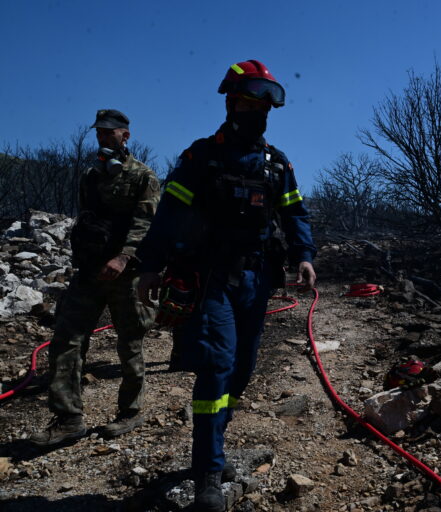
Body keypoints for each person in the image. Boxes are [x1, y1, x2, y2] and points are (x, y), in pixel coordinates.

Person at [135, 59, 316, 512]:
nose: (261, 112)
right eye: (253, 101)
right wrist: (150, 265)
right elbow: (168, 217)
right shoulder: (201, 158)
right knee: (216, 367)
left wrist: (305, 256)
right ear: (233, 103)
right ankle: (208, 472)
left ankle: (215, 441)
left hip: (257, 279)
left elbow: (295, 214)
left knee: (242, 370)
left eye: (267, 104)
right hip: (210, 277)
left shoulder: (277, 164)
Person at [31, 109, 161, 446]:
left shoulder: (144, 176)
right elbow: (87, 219)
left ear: (125, 136)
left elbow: (145, 224)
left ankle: (130, 411)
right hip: (89, 273)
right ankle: (68, 417)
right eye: (100, 133)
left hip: (125, 274)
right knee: (66, 340)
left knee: (130, 342)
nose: (103, 138)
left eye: (110, 133)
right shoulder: (91, 176)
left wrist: (122, 258)